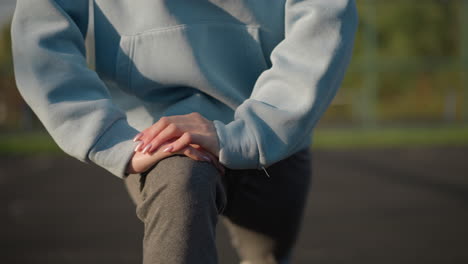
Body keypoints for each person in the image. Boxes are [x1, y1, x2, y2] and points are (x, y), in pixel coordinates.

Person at [11, 0, 358, 263]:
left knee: (266, 256)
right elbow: (41, 28)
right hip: (157, 135)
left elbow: (325, 14)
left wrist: (258, 129)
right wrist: (110, 138)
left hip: (273, 130)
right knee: (180, 182)